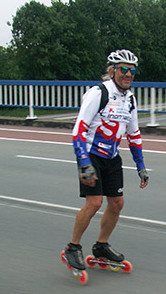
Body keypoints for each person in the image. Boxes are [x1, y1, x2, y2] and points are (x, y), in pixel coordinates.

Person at [63, 49, 149, 270]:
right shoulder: (98, 93)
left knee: (117, 203)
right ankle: (73, 247)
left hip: (112, 157)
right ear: (112, 71)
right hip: (90, 155)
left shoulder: (129, 99)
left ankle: (101, 245)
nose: (128, 74)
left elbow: (134, 134)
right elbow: (79, 130)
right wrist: (83, 162)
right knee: (94, 202)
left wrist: (141, 166)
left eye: (132, 70)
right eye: (123, 70)